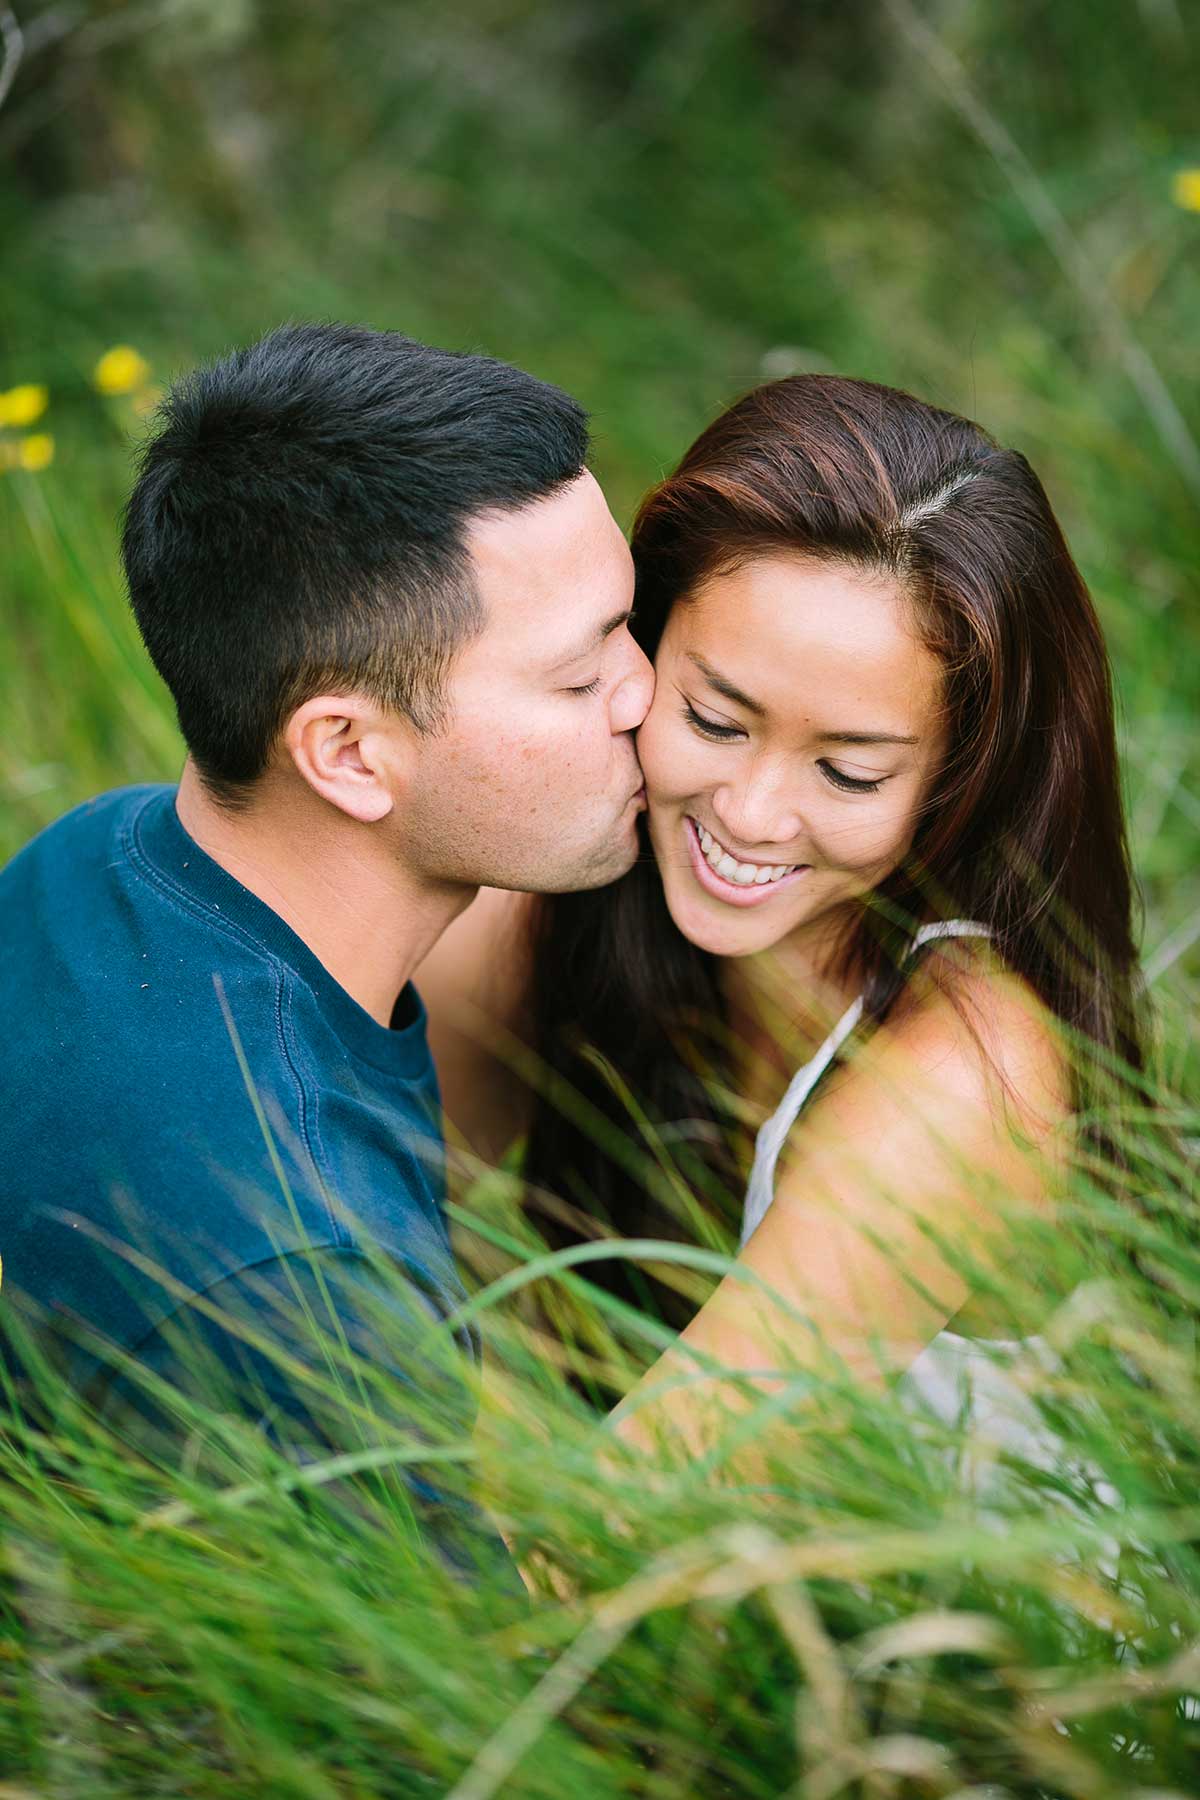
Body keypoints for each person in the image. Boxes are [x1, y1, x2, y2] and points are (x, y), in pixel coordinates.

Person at [0, 322, 652, 1549]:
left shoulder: (98, 857)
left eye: (629, 623)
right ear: (349, 753)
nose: (646, 693)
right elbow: (440, 1726)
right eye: (580, 678)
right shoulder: (299, 1281)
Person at [420, 373, 1145, 1456]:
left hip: (958, 1613)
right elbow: (306, 1243)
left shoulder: (970, 1074)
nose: (751, 815)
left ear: (958, 783)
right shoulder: (567, 902)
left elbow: (654, 1509)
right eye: (714, 719)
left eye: (849, 774)